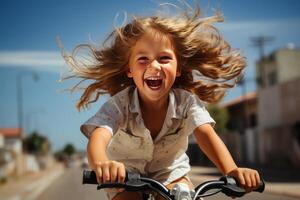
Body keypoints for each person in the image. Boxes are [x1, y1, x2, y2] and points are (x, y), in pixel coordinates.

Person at [63, 3, 261, 200]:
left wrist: (232, 170)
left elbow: (206, 135)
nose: (154, 66)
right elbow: (99, 137)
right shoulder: (120, 104)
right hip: (124, 175)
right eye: (143, 59)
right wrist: (102, 165)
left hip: (170, 174)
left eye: (164, 58)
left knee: (181, 196)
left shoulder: (187, 103)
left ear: (178, 68)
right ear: (129, 70)